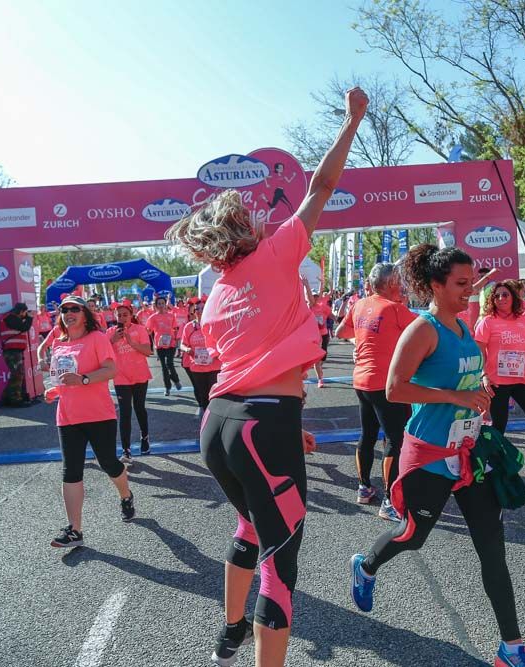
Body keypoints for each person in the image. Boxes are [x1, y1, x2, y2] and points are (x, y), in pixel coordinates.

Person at [166, 86, 367, 667]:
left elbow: (255, 365)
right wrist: (351, 122)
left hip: (221, 425)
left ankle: (230, 631)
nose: (261, 215)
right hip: (262, 424)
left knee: (248, 526)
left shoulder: (215, 297)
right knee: (281, 558)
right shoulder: (278, 254)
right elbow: (321, 188)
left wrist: (287, 426)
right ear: (241, 227)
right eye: (251, 213)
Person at [348, 245, 525, 667]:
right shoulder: (423, 329)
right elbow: (394, 389)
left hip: (468, 452)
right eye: (461, 284)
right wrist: (455, 395)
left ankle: (512, 647)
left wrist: (481, 394)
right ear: (436, 285)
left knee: (493, 549)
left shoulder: (462, 326)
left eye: (471, 283)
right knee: (412, 535)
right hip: (430, 454)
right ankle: (366, 564)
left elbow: (469, 375)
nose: (470, 291)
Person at [42, 296, 135, 548]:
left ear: (85, 314)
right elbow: (60, 379)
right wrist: (54, 391)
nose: (69, 313)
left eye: (74, 309)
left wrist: (83, 379)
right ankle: (75, 530)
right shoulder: (59, 344)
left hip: (99, 414)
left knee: (108, 463)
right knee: (70, 470)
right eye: (64, 310)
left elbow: (110, 370)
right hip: (67, 416)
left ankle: (125, 495)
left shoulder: (97, 339)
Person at [335, 262, 415, 521]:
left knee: (368, 435)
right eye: (400, 281)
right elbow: (427, 332)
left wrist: (360, 341)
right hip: (386, 384)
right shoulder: (395, 309)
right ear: (392, 284)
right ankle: (389, 502)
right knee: (395, 439)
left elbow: (341, 332)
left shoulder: (360, 305)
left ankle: (364, 487)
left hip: (361, 381)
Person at [474, 280, 525, 481]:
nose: (501, 299)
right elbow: (479, 352)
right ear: (491, 300)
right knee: (499, 425)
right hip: (497, 381)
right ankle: (494, 466)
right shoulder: (487, 322)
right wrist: (484, 375)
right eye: (497, 296)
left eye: (505, 295)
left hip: (522, 379)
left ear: (513, 297)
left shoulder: (522, 320)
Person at [107, 302, 153, 463]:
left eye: (125, 314)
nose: (122, 318)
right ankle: (126, 450)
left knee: (140, 408)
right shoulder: (110, 333)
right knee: (125, 413)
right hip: (121, 378)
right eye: (119, 315)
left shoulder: (139, 330)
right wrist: (112, 340)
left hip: (140, 375)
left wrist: (131, 341)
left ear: (131, 315)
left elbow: (148, 351)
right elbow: (103, 355)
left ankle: (145, 437)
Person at [179, 300, 221, 421]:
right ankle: (206, 418)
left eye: (203, 308)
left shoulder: (215, 324)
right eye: (197, 309)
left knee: (214, 394)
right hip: (197, 367)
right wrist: (187, 350)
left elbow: (222, 342)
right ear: (193, 312)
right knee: (202, 394)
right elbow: (182, 345)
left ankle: (215, 418)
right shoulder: (188, 327)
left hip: (214, 366)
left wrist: (215, 352)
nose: (200, 311)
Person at [0, 303, 34, 407]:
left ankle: (6, 399)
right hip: (12, 351)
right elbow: (24, 327)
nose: (25, 315)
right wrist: (29, 318)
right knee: (17, 374)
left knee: (17, 374)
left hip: (14, 350)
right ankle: (14, 399)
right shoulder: (9, 318)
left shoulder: (9, 318)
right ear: (21, 311)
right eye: (24, 313)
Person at [146, 296, 182, 396]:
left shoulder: (171, 316)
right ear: (156, 305)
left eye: (162, 303)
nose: (161, 305)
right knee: (164, 367)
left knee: (169, 363)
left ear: (165, 304)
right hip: (160, 345)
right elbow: (148, 330)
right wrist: (148, 332)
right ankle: (167, 387)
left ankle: (176, 380)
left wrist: (176, 338)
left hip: (171, 344)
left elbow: (175, 328)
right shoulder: (153, 317)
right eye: (159, 304)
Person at [306, 286, 332, 387]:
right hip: (313, 337)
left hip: (323, 335)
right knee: (316, 360)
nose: (315, 298)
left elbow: (330, 314)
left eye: (316, 296)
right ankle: (320, 380)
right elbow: (309, 296)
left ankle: (319, 372)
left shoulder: (322, 306)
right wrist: (306, 284)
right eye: (313, 296)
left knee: (322, 359)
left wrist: (339, 320)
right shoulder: (308, 307)